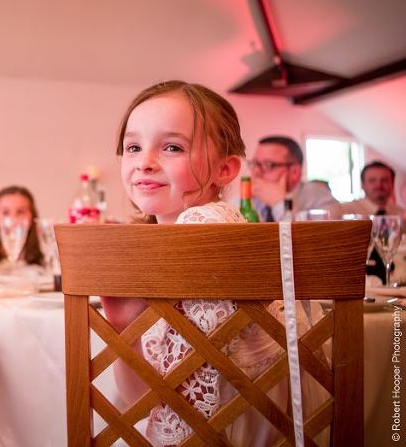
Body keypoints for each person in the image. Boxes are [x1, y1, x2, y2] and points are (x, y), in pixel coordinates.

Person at [102, 80, 324, 446]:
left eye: (172, 147)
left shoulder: (206, 228)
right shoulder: (166, 239)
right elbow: (142, 397)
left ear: (225, 169)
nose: (144, 162)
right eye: (133, 147)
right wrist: (127, 327)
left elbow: (178, 407)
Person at [249, 136, 338, 221]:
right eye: (254, 164)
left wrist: (279, 204)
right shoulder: (252, 199)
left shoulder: (318, 196)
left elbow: (306, 235)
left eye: (267, 165)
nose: (255, 172)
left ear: (294, 172)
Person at [337, 160, 403, 217]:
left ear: (392, 184)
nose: (379, 185)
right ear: (362, 185)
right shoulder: (344, 212)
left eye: (384, 180)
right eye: (372, 180)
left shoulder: (401, 214)